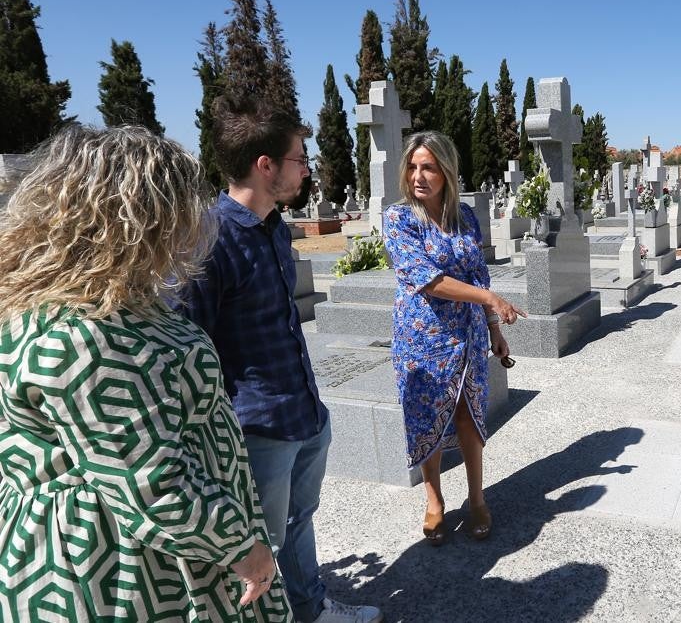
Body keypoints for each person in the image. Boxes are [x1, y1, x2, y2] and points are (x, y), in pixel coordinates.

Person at [0, 125, 288, 620]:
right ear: (140, 219)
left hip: (147, 543)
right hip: (129, 563)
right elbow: (153, 485)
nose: (193, 224)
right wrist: (245, 548)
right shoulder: (87, 335)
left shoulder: (82, 305)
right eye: (180, 209)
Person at [178, 96, 381, 623]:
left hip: (304, 413)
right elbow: (189, 347)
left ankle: (310, 611)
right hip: (258, 429)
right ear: (264, 165)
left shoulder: (273, 228)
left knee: (297, 524)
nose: (307, 168)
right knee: (255, 549)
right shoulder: (210, 241)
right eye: (299, 158)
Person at [381, 131, 524, 546]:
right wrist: (490, 299)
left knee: (469, 414)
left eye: (428, 167)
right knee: (427, 418)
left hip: (467, 335)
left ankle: (477, 498)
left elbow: (477, 272)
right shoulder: (399, 219)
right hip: (421, 338)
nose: (418, 176)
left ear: (447, 171)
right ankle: (434, 500)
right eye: (412, 167)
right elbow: (426, 280)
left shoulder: (464, 215)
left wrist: (493, 327)